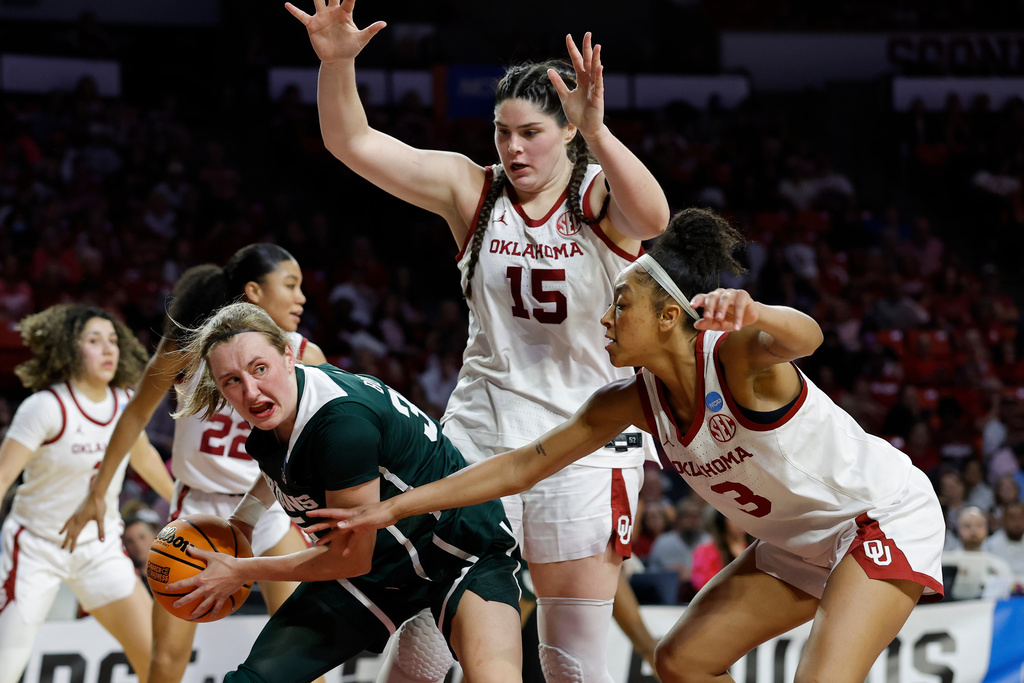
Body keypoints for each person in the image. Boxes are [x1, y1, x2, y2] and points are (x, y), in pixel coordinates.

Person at [310, 207, 947, 683]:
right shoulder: (631, 399)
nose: (605, 318)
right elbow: (521, 466)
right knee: (682, 662)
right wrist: (394, 506)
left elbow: (806, 337)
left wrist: (755, 310)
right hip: (799, 541)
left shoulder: (735, 359)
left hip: (877, 519)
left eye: (620, 303)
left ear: (669, 316)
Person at [286, 1, 670, 680]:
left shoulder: (598, 196)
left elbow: (655, 215)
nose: (514, 147)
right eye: (503, 132)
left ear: (568, 134)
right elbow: (353, 142)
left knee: (571, 661)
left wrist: (599, 130)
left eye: (531, 133)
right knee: (426, 645)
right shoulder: (473, 190)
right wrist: (337, 63)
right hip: (480, 430)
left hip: (586, 441)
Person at [166, 302, 523, 683]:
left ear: (288, 355)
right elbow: (285, 467)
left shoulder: (341, 424)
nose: (251, 391)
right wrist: (244, 520)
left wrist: (241, 570)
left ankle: (434, 620)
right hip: (377, 567)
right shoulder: (282, 408)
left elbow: (348, 559)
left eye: (259, 368)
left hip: (458, 547)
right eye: (231, 380)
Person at [61, 244, 327, 683]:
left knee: (303, 647)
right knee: (167, 659)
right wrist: (97, 491)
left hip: (266, 506)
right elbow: (133, 416)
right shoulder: (189, 348)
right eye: (291, 285)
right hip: (198, 508)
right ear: (254, 292)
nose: (301, 297)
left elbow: (321, 435)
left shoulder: (301, 352)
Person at [0, 304, 174, 683]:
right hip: (36, 548)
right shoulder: (44, 407)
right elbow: (2, 479)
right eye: (94, 341)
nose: (109, 349)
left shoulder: (124, 402)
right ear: (69, 349)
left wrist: (184, 504)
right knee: (5, 669)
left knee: (159, 661)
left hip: (99, 547)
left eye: (113, 340)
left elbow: (145, 460)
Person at [689, 510, 753, 592]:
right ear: (723, 521)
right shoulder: (706, 551)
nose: (740, 522)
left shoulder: (757, 548)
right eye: (734, 518)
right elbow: (704, 584)